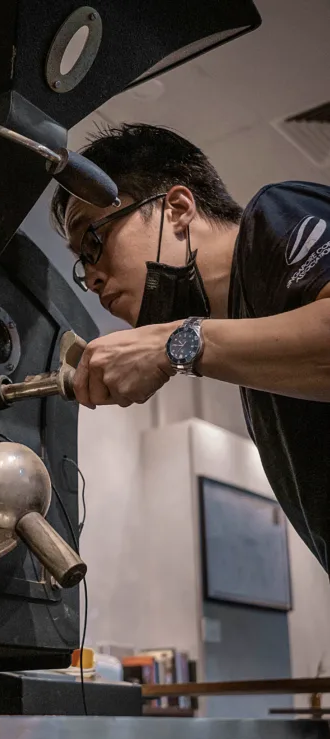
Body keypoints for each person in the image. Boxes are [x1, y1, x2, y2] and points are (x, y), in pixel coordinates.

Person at [51, 124, 330, 573]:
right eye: (82, 262)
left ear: (178, 209)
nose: (92, 276)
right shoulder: (251, 350)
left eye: (94, 240)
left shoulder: (274, 215)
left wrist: (174, 342)